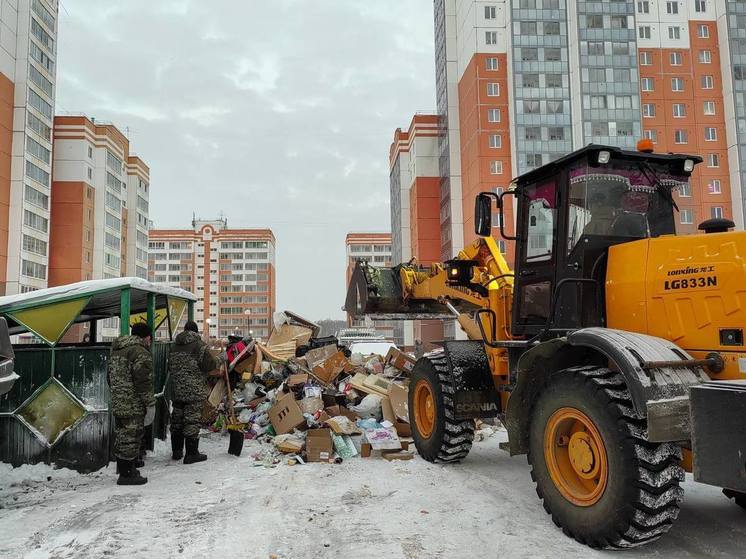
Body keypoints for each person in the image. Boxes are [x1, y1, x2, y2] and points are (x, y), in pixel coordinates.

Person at [107, 322, 155, 486]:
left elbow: (109, 377)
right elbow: (143, 382)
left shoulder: (117, 350)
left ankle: (127, 469)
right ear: (146, 337)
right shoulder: (140, 352)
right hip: (133, 402)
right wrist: (150, 403)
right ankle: (127, 475)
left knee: (122, 436)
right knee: (132, 437)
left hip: (118, 400)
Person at [169, 321, 218, 464]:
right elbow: (209, 365)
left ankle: (177, 451)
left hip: (177, 389)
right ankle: (191, 454)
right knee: (192, 421)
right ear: (196, 332)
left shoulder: (174, 346)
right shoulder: (200, 345)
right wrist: (221, 359)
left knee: (177, 420)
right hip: (193, 391)